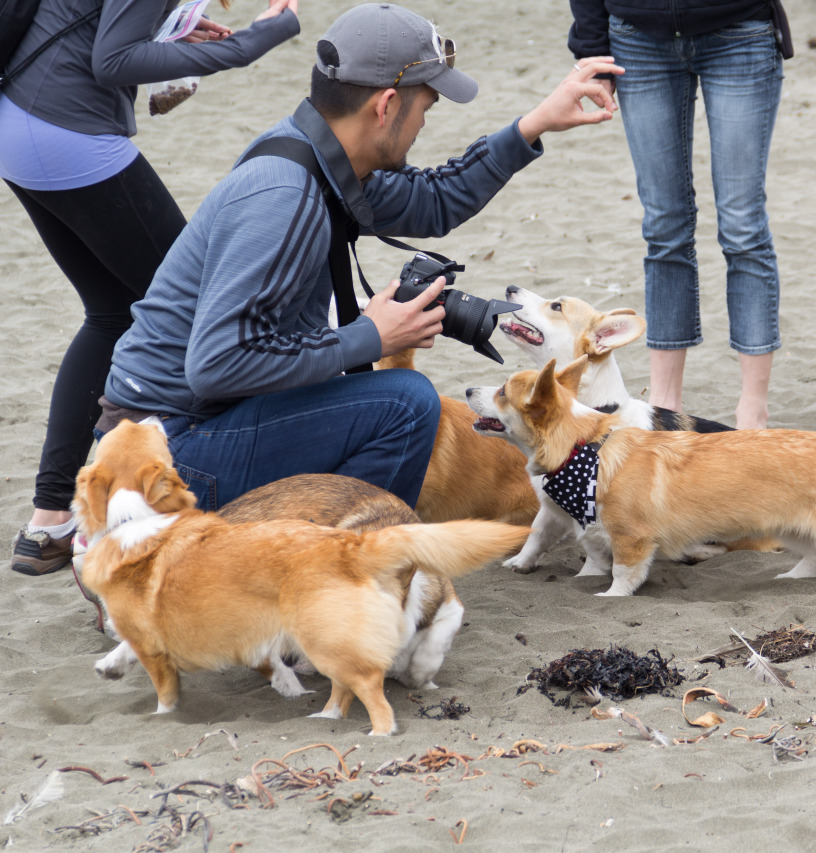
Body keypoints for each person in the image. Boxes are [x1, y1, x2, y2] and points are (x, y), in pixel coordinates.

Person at [96, 3, 621, 517]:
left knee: (370, 392)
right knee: (406, 404)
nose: (422, 123)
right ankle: (331, 569)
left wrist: (535, 125)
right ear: (387, 106)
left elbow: (436, 200)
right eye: (426, 106)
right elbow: (215, 367)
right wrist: (372, 336)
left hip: (187, 428)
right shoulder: (284, 195)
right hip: (165, 456)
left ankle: (309, 552)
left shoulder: (320, 160)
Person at [2, 0, 301, 577]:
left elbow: (94, 28)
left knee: (112, 314)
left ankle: (48, 524)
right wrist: (260, 37)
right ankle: (141, 514)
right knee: (197, 308)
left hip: (18, 124)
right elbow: (114, 61)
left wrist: (175, 28)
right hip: (71, 135)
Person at [567, 0, 792, 429]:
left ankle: (753, 407)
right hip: (637, 40)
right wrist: (590, 46)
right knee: (664, 226)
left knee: (743, 226)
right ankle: (666, 404)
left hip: (740, 31)